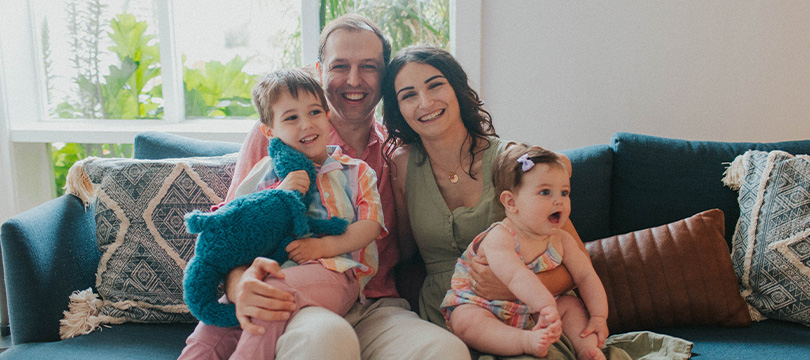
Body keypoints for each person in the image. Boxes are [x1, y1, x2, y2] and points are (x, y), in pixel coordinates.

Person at [184, 14, 471, 360]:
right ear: (319, 71)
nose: (354, 80)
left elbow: (411, 250)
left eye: (369, 66)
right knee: (327, 339)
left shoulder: (398, 153)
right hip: (293, 291)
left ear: (384, 77)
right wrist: (238, 283)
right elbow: (230, 228)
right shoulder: (278, 139)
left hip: (375, 305)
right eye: (340, 66)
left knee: (447, 351)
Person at [382, 44, 598, 359]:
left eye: (435, 85)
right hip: (450, 320)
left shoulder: (512, 161)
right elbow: (405, 252)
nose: (425, 102)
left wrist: (511, 286)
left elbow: (573, 258)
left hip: (526, 317)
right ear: (398, 108)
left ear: (457, 88)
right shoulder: (401, 165)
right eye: (408, 95)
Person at [180, 68, 385, 359]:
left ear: (328, 116)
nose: (306, 124)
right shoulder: (264, 173)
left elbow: (371, 225)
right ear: (269, 131)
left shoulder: (356, 171)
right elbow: (240, 225)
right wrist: (281, 191)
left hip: (337, 274)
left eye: (314, 112)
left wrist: (323, 245)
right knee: (209, 330)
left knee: (273, 295)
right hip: (267, 271)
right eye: (291, 117)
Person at [440, 144, 609, 360]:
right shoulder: (500, 237)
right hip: (486, 307)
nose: (558, 200)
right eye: (545, 192)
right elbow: (515, 276)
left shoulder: (561, 240)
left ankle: (586, 348)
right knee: (465, 321)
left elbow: (585, 275)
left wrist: (598, 316)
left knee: (571, 306)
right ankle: (524, 341)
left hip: (533, 311)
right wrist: (546, 305)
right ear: (511, 203)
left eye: (564, 192)